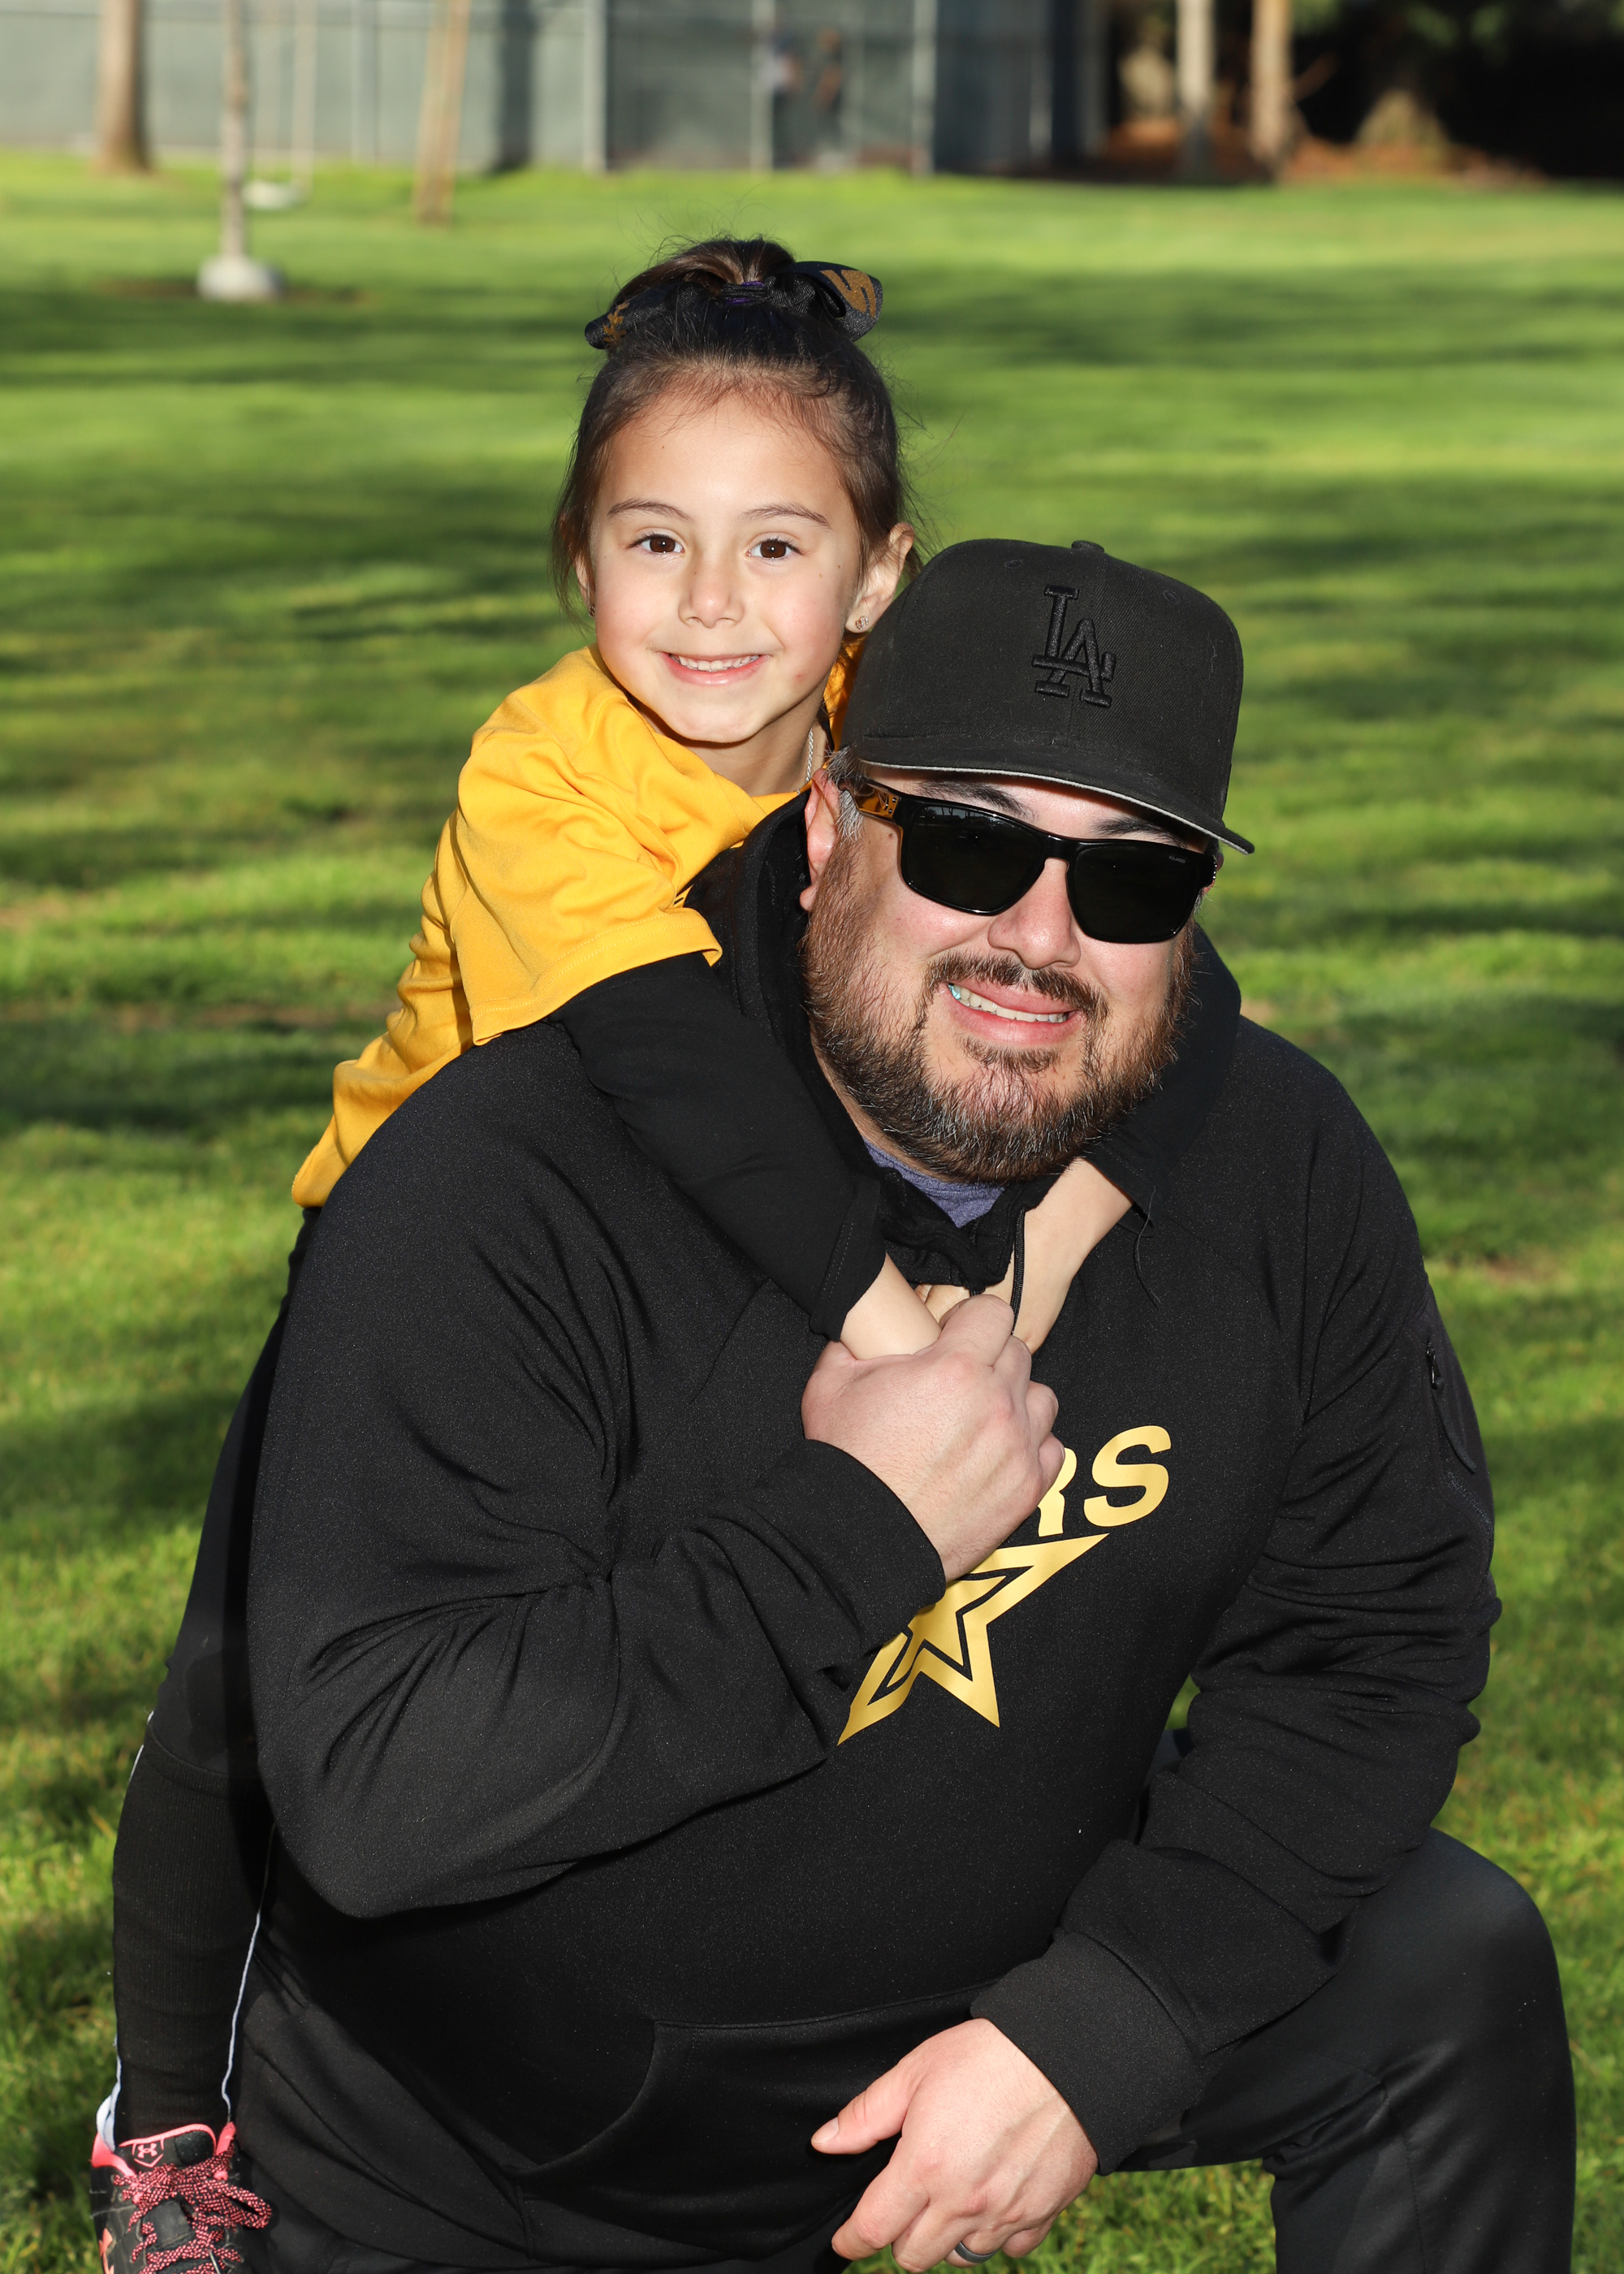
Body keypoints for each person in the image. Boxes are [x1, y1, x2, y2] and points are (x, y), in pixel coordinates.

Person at [231, 538, 1570, 2273]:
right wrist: (852, 1530)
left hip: (983, 1998)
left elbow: (1374, 1640)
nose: (1040, 937)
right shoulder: (507, 1172)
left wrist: (1110, 2019)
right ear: (822, 833)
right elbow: (377, 1784)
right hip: (502, 2159)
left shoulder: (1276, 1166)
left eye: (1133, 880)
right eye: (966, 845)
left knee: (1448, 1962)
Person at [89, 250, 1185, 2268]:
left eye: (777, 545)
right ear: (575, 557)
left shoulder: (883, 742)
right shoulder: (540, 770)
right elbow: (684, 1080)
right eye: (651, 540)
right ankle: (168, 2120)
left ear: (877, 575)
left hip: (703, 1265)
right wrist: (913, 1349)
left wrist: (1054, 1240)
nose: (708, 604)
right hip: (425, 1275)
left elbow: (1115, 942)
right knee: (245, 1686)